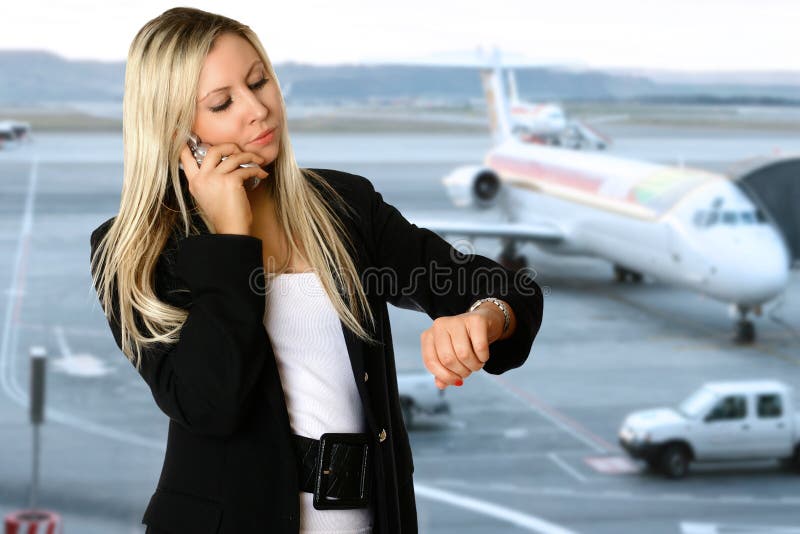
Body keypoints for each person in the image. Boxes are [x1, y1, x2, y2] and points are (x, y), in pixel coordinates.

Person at [88, 7, 544, 534]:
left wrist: (486, 318)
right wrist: (230, 241)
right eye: (222, 102)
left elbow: (501, 287)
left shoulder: (344, 205)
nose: (258, 109)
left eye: (260, 81)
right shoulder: (133, 251)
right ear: (174, 132)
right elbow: (210, 404)